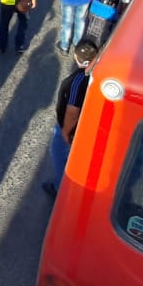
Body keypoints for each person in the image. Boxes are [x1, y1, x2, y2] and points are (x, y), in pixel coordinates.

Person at [44, 39, 98, 196]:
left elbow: (72, 111)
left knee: (58, 154)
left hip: (72, 128)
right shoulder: (97, 73)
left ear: (76, 57)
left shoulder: (78, 80)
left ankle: (59, 188)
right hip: (87, 124)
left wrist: (65, 132)